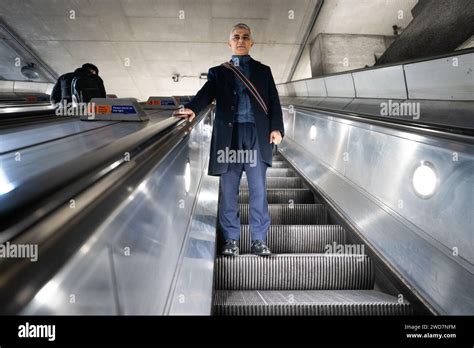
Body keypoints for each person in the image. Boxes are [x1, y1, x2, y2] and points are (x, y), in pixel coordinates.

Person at [173, 23, 284, 256]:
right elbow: (206, 92)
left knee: (258, 190)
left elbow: (273, 100)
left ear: (251, 42)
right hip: (229, 136)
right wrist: (193, 108)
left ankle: (259, 240)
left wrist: (277, 128)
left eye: (245, 37)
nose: (241, 40)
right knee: (229, 189)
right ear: (230, 43)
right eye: (236, 37)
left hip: (256, 134)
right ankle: (231, 240)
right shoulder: (219, 72)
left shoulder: (264, 71)